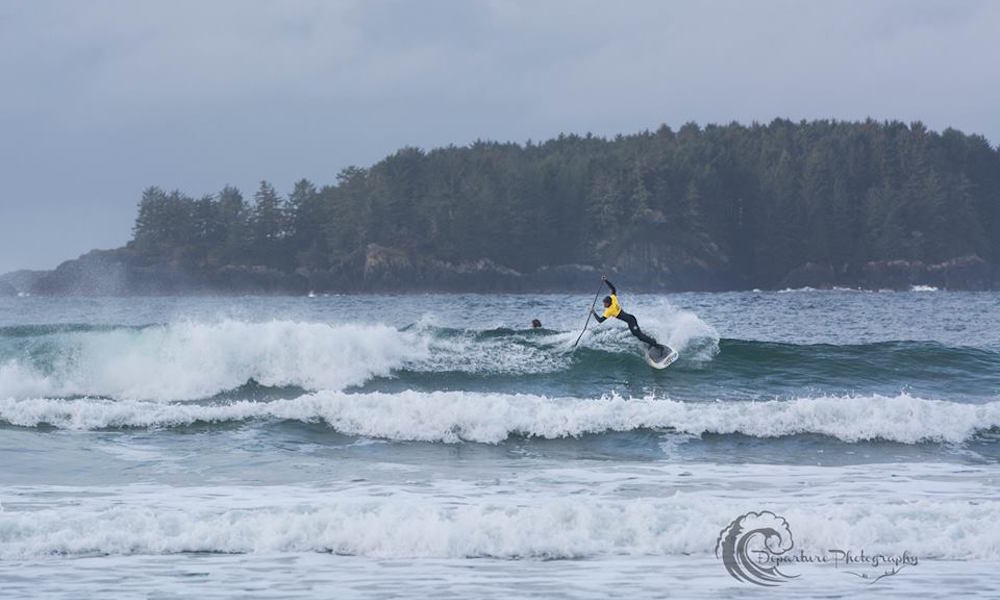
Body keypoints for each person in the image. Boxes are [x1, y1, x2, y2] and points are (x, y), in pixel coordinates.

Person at [591, 275, 663, 349]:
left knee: (640, 336)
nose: (604, 305)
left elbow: (600, 320)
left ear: (609, 303)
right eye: (604, 303)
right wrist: (606, 280)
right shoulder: (613, 298)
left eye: (605, 303)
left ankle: (657, 345)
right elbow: (613, 288)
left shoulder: (609, 311)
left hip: (631, 321)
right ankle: (651, 341)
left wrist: (593, 312)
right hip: (631, 319)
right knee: (638, 335)